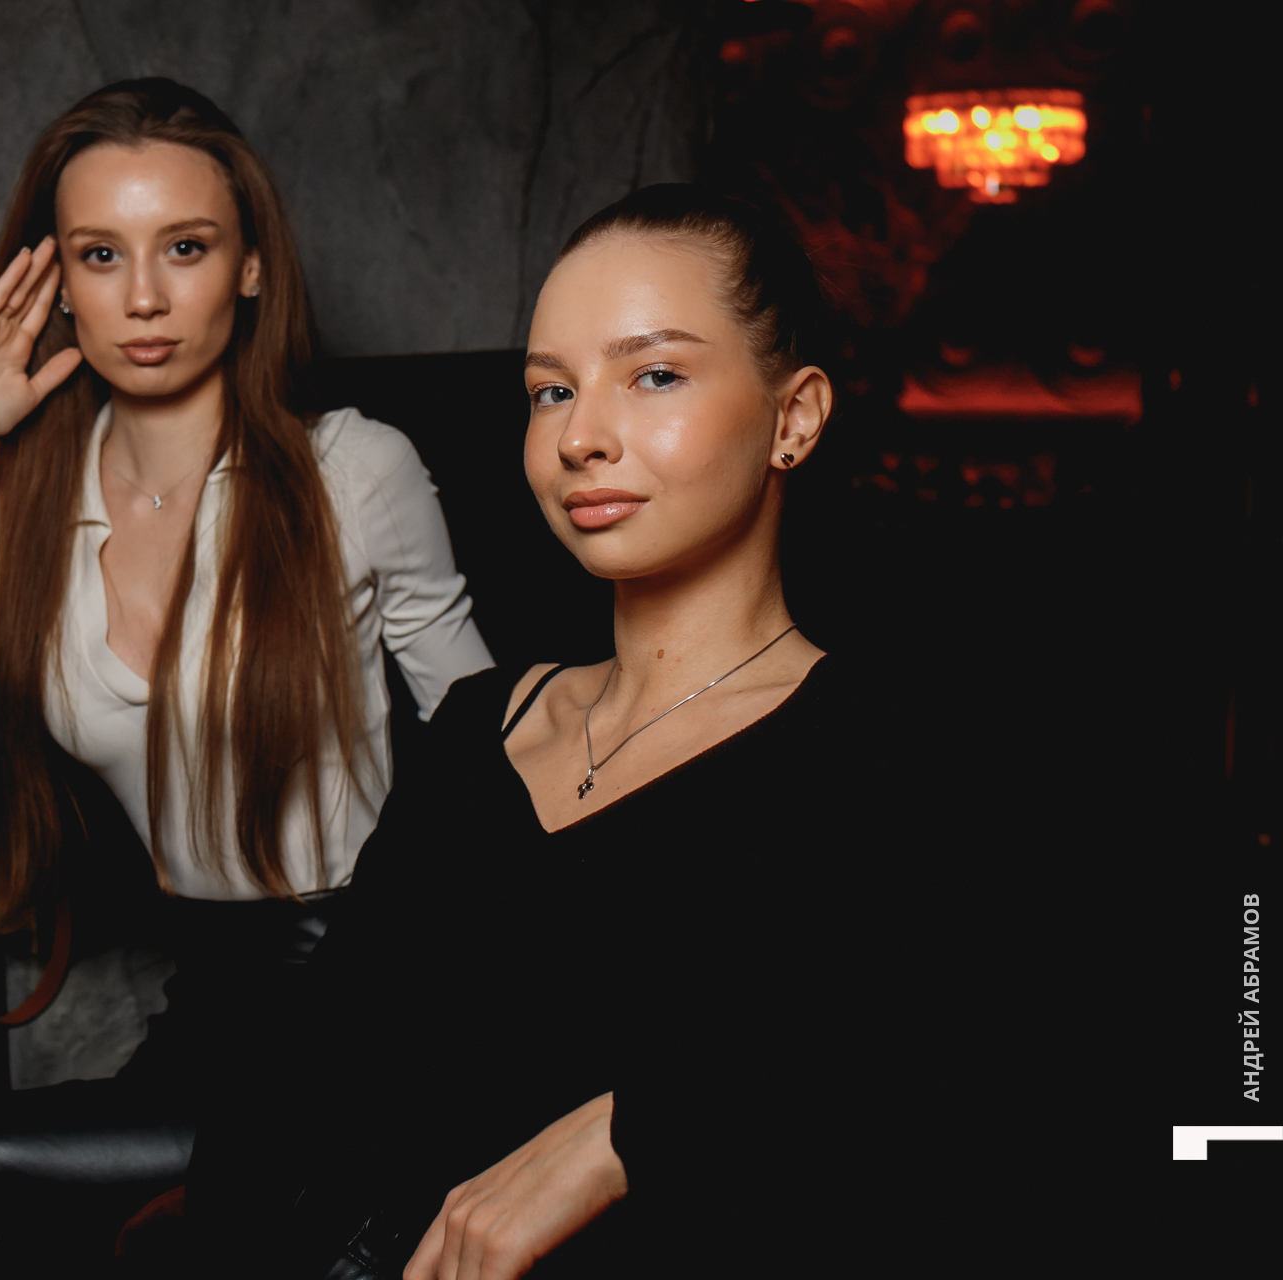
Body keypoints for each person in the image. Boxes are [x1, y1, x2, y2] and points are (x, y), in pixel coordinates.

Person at [186, 184, 1019, 1278]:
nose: (580, 437)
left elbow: (944, 1099)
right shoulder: (481, 730)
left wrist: (636, 1130)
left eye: (655, 375)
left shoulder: (885, 755)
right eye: (550, 391)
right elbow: (305, 1088)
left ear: (795, 417)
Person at [0, 79, 492, 1262]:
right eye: (100, 254)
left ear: (249, 267)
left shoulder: (356, 471)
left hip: (370, 995)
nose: (144, 297)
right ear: (55, 282)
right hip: (207, 1008)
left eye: (186, 247)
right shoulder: (27, 517)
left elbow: (489, 745)